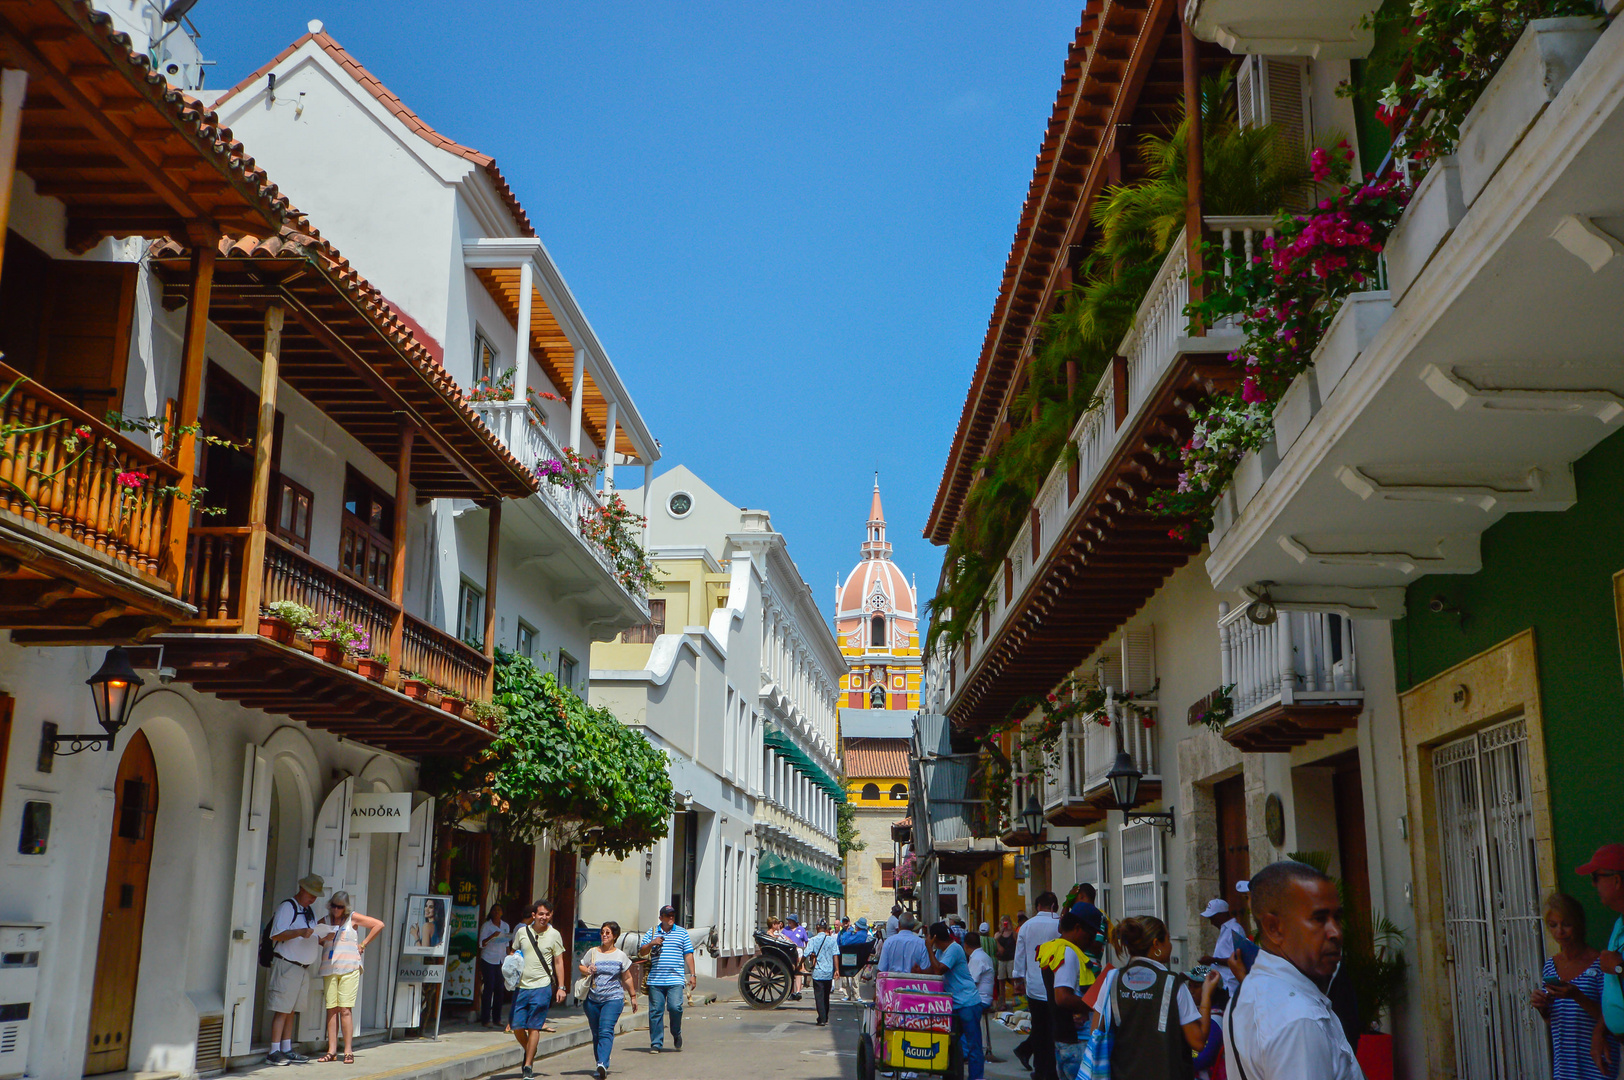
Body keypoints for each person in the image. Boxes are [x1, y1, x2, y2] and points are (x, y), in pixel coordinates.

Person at [1224, 860, 1360, 1079]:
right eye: (1318, 919)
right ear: (1274, 928)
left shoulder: (1252, 995)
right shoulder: (1299, 1019)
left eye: (1337, 917)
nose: (1335, 931)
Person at [1091, 916, 1220, 1080]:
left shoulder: (1111, 980)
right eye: (1167, 939)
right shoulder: (1173, 984)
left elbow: (1095, 1034)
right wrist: (1206, 995)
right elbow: (1198, 1041)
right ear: (1156, 945)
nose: (1171, 945)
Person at [312, 891, 382, 1065]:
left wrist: (363, 944)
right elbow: (313, 936)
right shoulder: (325, 921)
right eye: (334, 906)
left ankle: (348, 1050)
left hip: (349, 967)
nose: (336, 909)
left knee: (345, 1009)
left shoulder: (352, 918)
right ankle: (332, 1050)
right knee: (331, 1009)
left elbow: (378, 924)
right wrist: (322, 939)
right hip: (330, 968)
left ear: (346, 907)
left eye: (340, 907)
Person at [265, 874, 323, 1066]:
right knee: (282, 1009)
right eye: (311, 894)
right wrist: (299, 932)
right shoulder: (287, 907)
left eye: (316, 895)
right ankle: (273, 1051)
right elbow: (276, 934)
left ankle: (286, 1048)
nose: (313, 898)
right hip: (287, 965)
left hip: (301, 968)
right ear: (302, 890)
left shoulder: (308, 911)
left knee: (291, 1011)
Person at [917, 921, 985, 1080]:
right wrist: (920, 971)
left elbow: (940, 969)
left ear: (934, 938)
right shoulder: (942, 951)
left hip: (968, 1002)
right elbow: (934, 969)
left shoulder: (954, 949)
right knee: (951, 1042)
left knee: (973, 1044)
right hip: (954, 1004)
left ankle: (976, 1077)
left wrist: (928, 948)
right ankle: (952, 1075)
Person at [510, 898, 567, 1080]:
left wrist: (561, 987)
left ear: (551, 916)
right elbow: (513, 953)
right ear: (534, 915)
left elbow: (559, 962)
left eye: (547, 914)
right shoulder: (521, 932)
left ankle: (527, 1065)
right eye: (540, 914)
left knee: (534, 1026)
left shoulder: (554, 935)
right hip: (521, 986)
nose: (544, 917)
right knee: (517, 1026)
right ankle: (530, 1050)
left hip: (542, 986)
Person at [1040, 910, 1099, 1077]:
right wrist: (1095, 1005)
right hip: (1075, 1041)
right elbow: (1063, 997)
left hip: (1062, 1037)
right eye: (1090, 934)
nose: (1092, 941)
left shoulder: (1052, 948)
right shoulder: (1068, 952)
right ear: (1078, 928)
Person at [1012, 892, 1062, 1079]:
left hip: (1034, 986)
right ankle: (1054, 1069)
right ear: (1054, 905)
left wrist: (1018, 979)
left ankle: (1040, 1070)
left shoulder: (1026, 926)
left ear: (1037, 905)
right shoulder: (1060, 924)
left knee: (1039, 1030)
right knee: (1055, 1029)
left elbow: (1020, 955)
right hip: (1057, 986)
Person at [579, 920, 637, 1079]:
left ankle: (602, 1063)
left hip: (613, 999)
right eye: (602, 932)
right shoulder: (592, 952)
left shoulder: (620, 956)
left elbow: (627, 977)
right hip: (592, 999)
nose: (604, 935)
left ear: (615, 936)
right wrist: (588, 970)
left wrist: (633, 996)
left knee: (606, 1030)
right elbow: (581, 966)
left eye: (608, 933)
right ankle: (600, 1063)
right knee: (596, 1033)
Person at [1585, 845, 1624, 1069]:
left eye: (1596, 877)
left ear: (1616, 881)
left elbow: (1616, 969)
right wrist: (1601, 1030)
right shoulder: (1619, 924)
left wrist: (1619, 968)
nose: (1593, 884)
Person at [640, 904, 696, 1053]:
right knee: (656, 1011)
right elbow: (641, 951)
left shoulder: (682, 933)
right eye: (667, 915)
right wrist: (652, 943)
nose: (671, 918)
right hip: (656, 980)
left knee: (675, 1007)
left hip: (675, 980)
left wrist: (692, 975)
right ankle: (656, 1043)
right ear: (661, 918)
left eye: (672, 915)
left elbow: (688, 954)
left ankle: (676, 1032)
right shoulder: (652, 933)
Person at [1198, 898, 1247, 998]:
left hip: (1230, 988)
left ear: (1221, 914)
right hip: (1222, 986)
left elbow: (1238, 959)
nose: (1211, 922)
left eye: (1213, 918)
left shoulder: (1235, 929)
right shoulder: (1225, 930)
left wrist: (1213, 960)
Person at [477, 903, 512, 1029]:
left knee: (499, 990)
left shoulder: (505, 926)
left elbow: (507, 944)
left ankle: (497, 1018)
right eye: (495, 910)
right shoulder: (487, 926)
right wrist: (492, 936)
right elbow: (481, 943)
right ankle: (485, 1019)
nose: (497, 913)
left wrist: (509, 959)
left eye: (499, 910)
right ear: (491, 912)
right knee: (488, 988)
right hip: (488, 959)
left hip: (500, 960)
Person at [967, 929, 999, 1063]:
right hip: (984, 997)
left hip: (980, 999)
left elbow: (971, 983)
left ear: (966, 945)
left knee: (959, 1013)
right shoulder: (983, 956)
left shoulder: (977, 959)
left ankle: (968, 1050)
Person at [805, 918, 840, 1025]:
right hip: (829, 972)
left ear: (817, 927)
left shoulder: (813, 940)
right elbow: (835, 955)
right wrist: (837, 969)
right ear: (826, 928)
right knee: (826, 996)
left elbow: (806, 953)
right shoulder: (831, 940)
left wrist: (799, 965)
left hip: (818, 973)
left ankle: (822, 1018)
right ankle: (825, 1017)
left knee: (819, 997)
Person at [838, 917, 874, 1001]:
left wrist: (848, 932)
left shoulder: (856, 935)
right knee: (855, 978)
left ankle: (847, 995)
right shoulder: (865, 935)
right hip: (857, 959)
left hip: (847, 957)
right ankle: (857, 996)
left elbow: (844, 942)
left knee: (846, 977)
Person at [783, 914, 809, 1000]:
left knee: (798, 973)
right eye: (788, 920)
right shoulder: (785, 930)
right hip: (788, 953)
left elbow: (806, 941)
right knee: (790, 973)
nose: (789, 922)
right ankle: (791, 992)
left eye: (791, 920)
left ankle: (798, 991)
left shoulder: (801, 929)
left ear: (795, 921)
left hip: (799, 952)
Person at [995, 916, 1017, 1008]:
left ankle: (1015, 1000)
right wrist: (1001, 932)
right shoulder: (998, 934)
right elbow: (995, 941)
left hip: (1011, 958)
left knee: (1013, 980)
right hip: (1001, 960)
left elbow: (1017, 944)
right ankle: (1002, 1002)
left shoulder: (1013, 933)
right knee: (1001, 981)